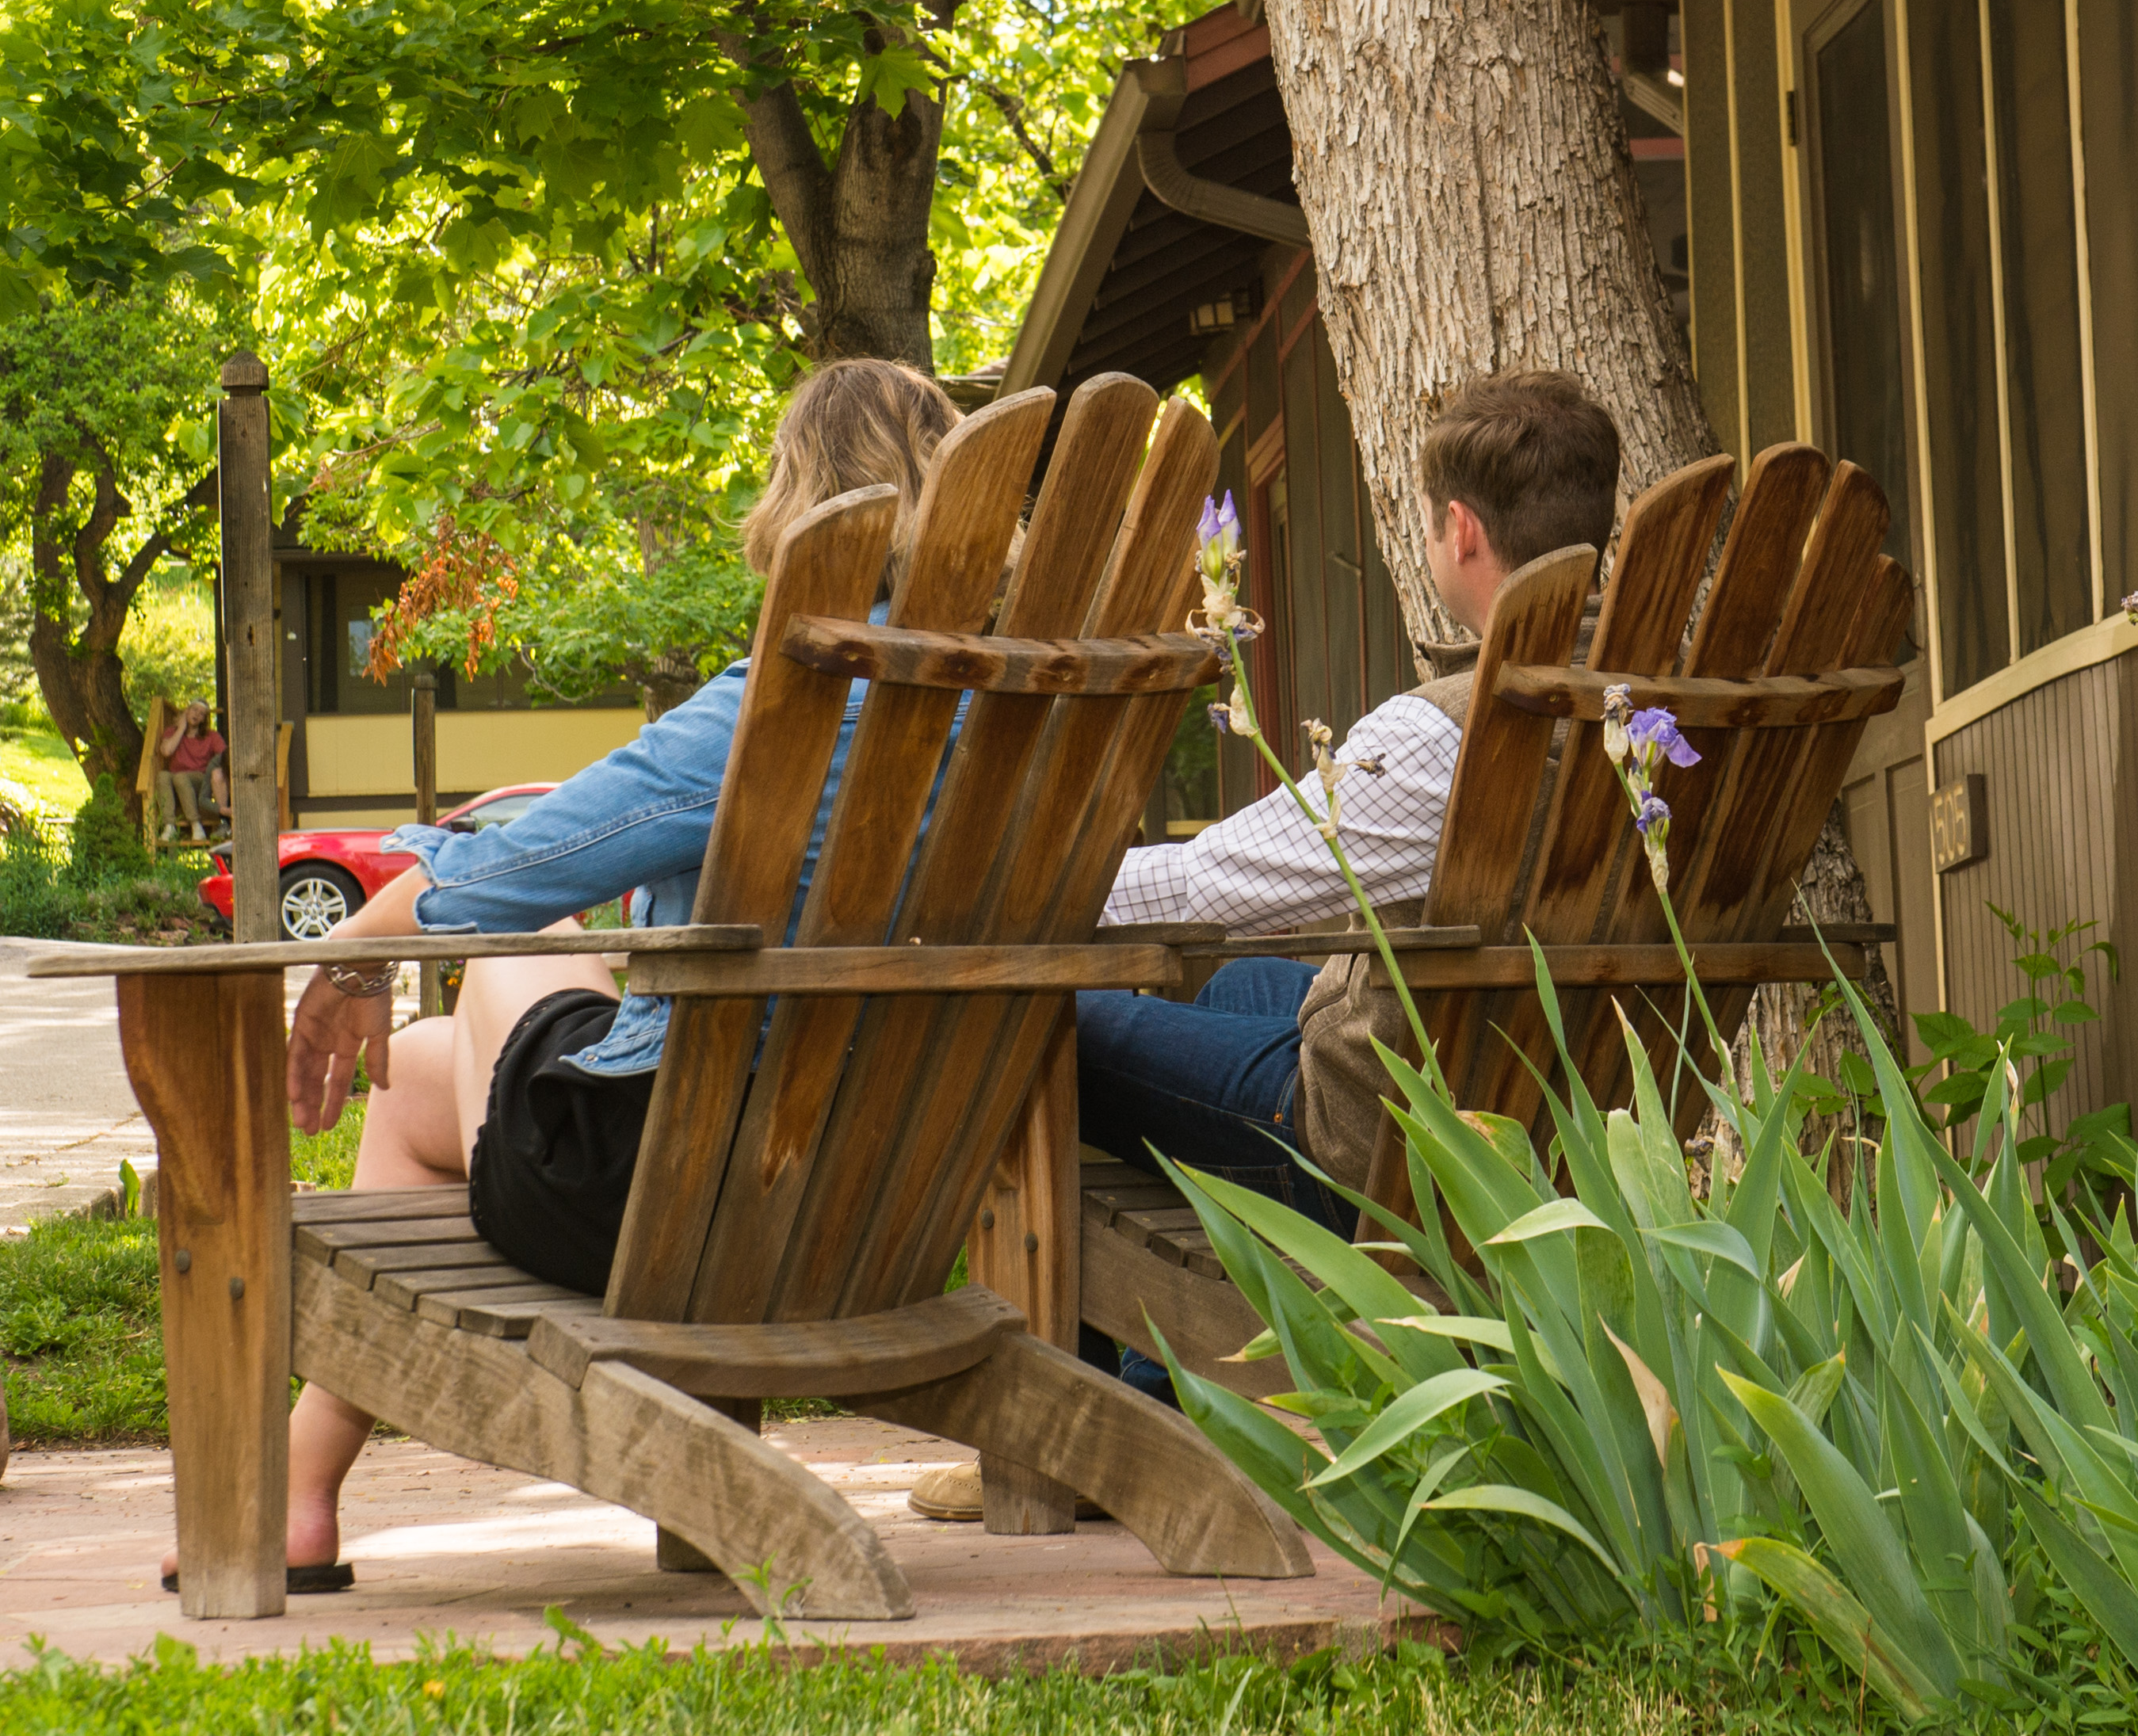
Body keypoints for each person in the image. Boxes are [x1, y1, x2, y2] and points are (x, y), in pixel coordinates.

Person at [193, 358, 961, 1593]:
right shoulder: (1014, 704)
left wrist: (356, 949)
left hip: (670, 1194)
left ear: (800, 498)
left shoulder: (776, 709)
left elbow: (521, 873)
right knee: (413, 1082)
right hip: (883, 1178)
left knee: (529, 947)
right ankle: (301, 1487)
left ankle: (298, 1492)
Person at [899, 370, 1621, 1522]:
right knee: (1245, 987)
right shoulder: (1654, 710)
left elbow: (1206, 882)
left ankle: (1086, 1429)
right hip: (1558, 1123)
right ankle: (1164, 1392)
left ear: (1462, 531)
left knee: (1053, 1024)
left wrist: (992, 894)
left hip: (1376, 1146)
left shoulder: (1449, 736)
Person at [159, 704, 226, 841]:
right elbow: (166, 751)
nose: (197, 715)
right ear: (187, 711)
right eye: (194, 710)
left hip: (199, 780)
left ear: (203, 720)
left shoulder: (210, 736)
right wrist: (182, 728)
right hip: (177, 781)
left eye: (202, 714)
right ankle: (169, 826)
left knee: (180, 777)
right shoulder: (171, 732)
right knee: (163, 776)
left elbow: (225, 756)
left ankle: (196, 825)